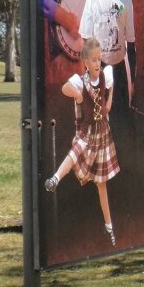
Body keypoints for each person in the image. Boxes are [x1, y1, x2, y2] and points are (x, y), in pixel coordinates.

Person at [44, 38, 119, 247]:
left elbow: (109, 98)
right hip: (87, 130)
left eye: (99, 59)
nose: (97, 63)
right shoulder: (80, 81)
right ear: (85, 61)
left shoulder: (105, 75)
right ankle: (55, 179)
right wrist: (77, 94)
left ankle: (109, 226)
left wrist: (109, 99)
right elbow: (65, 88)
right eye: (93, 60)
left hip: (102, 133)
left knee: (101, 184)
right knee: (76, 149)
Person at [79, 0, 136, 118]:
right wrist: (90, 74)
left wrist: (132, 82)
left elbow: (131, 44)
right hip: (99, 67)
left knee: (121, 121)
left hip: (118, 70)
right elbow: (86, 38)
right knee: (98, 121)